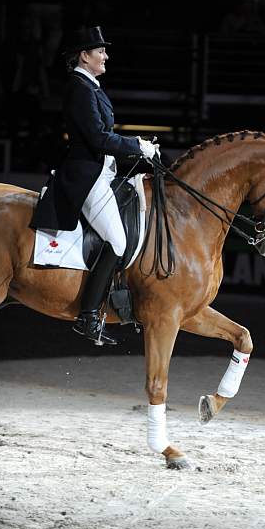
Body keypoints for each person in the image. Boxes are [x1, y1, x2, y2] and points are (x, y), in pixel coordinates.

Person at [31, 26, 159, 345]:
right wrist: (137, 146)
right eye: (100, 51)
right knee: (117, 242)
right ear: (84, 55)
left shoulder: (91, 86)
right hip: (86, 177)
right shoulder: (79, 88)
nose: (106, 55)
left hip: (104, 173)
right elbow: (98, 138)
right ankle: (88, 316)